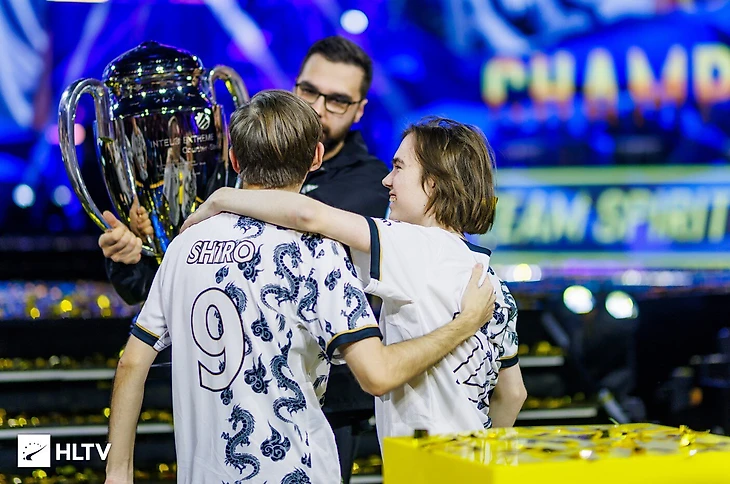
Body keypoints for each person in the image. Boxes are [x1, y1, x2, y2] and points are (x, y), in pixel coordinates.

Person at [103, 90, 496, 484]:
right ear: (316, 158)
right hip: (299, 470)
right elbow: (377, 373)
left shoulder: (184, 245)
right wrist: (464, 325)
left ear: (234, 159)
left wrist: (117, 472)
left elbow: (132, 363)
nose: (387, 179)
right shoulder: (318, 251)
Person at [181, 116, 528, 443]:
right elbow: (513, 394)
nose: (387, 180)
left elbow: (307, 214)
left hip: (426, 464)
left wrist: (222, 198)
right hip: (475, 461)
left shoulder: (416, 246)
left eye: (399, 167)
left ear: (433, 183)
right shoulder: (491, 280)